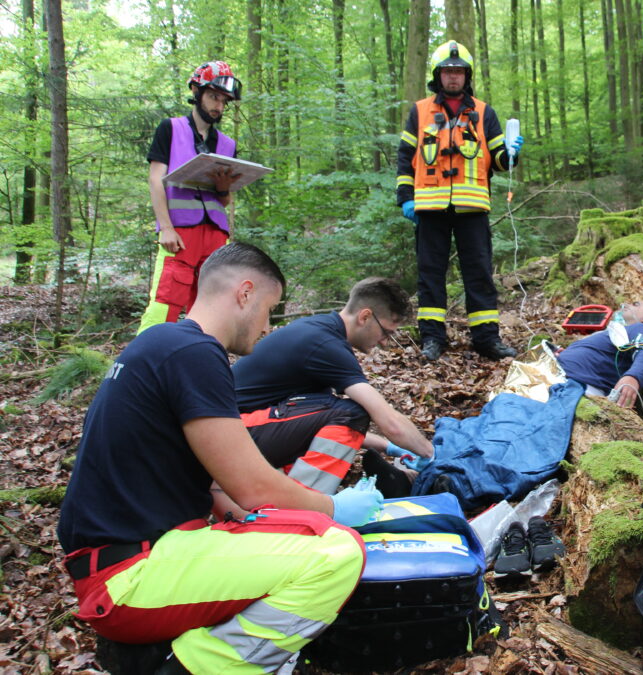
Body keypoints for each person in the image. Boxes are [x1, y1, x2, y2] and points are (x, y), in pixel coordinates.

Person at [59, 244, 383, 674]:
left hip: (135, 554)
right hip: (129, 575)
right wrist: (334, 508)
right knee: (337, 555)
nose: (268, 326)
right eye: (269, 309)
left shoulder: (163, 342)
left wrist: (276, 521)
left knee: (307, 535)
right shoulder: (195, 352)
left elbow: (219, 487)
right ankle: (195, 667)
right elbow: (253, 487)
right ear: (244, 293)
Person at [232, 277, 434, 500]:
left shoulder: (319, 330)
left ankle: (285, 489)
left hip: (240, 431)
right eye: (386, 333)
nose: (385, 342)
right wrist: (429, 453)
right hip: (233, 434)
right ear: (365, 316)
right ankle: (300, 505)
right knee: (353, 412)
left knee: (334, 411)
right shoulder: (326, 345)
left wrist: (390, 448)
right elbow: (388, 421)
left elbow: (318, 422)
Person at [396, 40, 524, 362]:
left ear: (467, 76)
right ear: (438, 75)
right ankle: (432, 338)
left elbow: (497, 159)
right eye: (447, 71)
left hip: (472, 207)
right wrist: (405, 198)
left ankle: (486, 339)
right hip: (430, 207)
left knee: (479, 272)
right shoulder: (420, 110)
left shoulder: (483, 112)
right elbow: (405, 157)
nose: (453, 77)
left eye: (459, 71)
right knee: (430, 274)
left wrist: (510, 155)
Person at [137, 61, 243, 335]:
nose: (218, 106)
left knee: (211, 306)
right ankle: (144, 365)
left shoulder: (227, 144)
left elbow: (224, 201)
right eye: (213, 97)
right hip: (180, 233)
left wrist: (222, 188)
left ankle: (198, 364)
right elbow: (155, 179)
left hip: (217, 236)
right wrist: (166, 227)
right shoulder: (170, 129)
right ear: (196, 91)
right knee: (166, 302)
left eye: (223, 101)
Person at [556, 300, 643, 408]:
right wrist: (569, 353)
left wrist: (633, 378)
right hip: (560, 373)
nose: (626, 304)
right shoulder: (619, 332)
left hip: (575, 383)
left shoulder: (642, 328)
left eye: (636, 304)